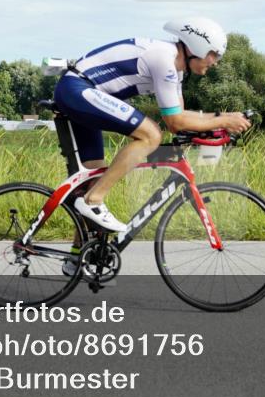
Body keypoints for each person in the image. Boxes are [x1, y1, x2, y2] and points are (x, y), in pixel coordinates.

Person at [53, 17, 251, 235]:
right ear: (197, 46)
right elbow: (175, 123)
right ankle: (93, 201)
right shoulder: (164, 59)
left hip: (84, 94)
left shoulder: (176, 69)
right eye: (214, 54)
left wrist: (222, 116)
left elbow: (180, 116)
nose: (215, 62)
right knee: (150, 135)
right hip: (78, 89)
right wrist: (223, 120)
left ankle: (79, 257)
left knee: (94, 178)